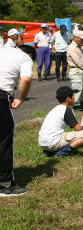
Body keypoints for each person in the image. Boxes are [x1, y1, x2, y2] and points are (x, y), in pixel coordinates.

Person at [0, 44, 34, 197]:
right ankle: (5, 184)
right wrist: (20, 98)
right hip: (1, 95)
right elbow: (26, 80)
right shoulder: (24, 58)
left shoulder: (3, 50)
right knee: (4, 140)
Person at [38, 86, 83, 157]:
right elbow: (78, 129)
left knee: (65, 135)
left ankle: (49, 152)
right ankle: (62, 152)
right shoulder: (66, 110)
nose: (74, 98)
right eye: (73, 96)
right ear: (68, 99)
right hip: (52, 142)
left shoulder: (55, 109)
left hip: (42, 142)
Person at [67, 30, 83, 110]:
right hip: (76, 70)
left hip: (82, 70)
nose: (82, 40)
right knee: (77, 89)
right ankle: (76, 105)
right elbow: (77, 61)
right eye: (81, 39)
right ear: (75, 38)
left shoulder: (79, 47)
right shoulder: (71, 47)